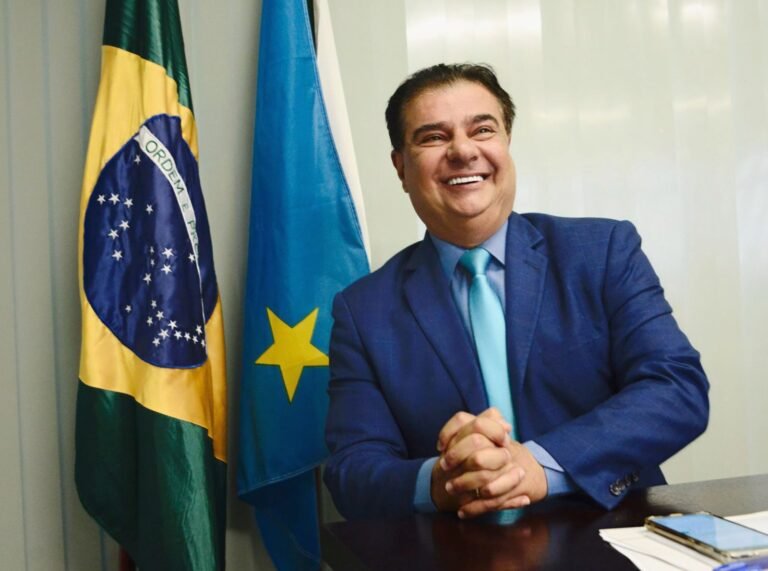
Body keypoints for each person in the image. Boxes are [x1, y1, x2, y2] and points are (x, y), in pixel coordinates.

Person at [324, 63, 709, 520]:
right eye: (433, 137)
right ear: (401, 168)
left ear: (506, 144)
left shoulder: (602, 252)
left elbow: (676, 388)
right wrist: (441, 479)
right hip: (458, 548)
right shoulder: (362, 311)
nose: (463, 150)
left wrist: (541, 464)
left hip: (612, 532)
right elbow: (352, 471)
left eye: (482, 130)